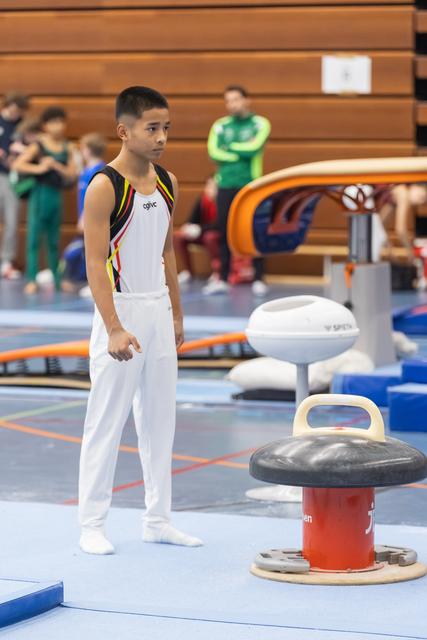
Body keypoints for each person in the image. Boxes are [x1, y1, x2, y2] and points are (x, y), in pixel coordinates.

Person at [78, 86, 202, 555]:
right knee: (106, 421)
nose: (162, 137)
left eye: (166, 127)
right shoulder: (105, 186)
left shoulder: (168, 181)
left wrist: (177, 312)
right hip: (121, 310)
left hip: (157, 310)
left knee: (159, 421)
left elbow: (168, 252)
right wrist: (112, 325)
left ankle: (159, 519)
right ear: (124, 131)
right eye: (152, 128)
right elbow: (95, 264)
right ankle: (91, 523)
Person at [203, 85, 271, 296]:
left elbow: (254, 148)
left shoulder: (260, 123)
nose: (232, 104)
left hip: (251, 185)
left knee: (254, 230)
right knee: (225, 231)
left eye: (236, 99)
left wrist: (229, 148)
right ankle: (222, 278)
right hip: (225, 185)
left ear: (246, 100)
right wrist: (238, 150)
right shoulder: (220, 126)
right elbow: (213, 152)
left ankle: (259, 278)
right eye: (228, 101)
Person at [13, 106, 77, 294]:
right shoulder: (38, 145)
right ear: (46, 125)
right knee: (33, 238)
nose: (58, 126)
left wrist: (56, 166)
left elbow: (72, 174)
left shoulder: (68, 147)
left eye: (61, 122)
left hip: (55, 196)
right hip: (39, 195)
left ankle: (57, 280)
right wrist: (39, 169)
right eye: (54, 122)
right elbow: (18, 164)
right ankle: (31, 279)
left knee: (54, 240)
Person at [61, 132, 107, 295]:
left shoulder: (100, 170)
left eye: (82, 148)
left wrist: (84, 218)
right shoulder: (85, 171)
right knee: (81, 251)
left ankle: (96, 285)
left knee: (96, 252)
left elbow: (96, 198)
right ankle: (84, 281)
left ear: (87, 150)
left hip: (94, 220)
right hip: (86, 220)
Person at [0, 92, 30, 279]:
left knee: (12, 221)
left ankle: (6, 261)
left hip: (12, 178)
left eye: (19, 111)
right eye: (13, 109)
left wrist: (18, 153)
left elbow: (32, 146)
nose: (15, 114)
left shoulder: (23, 124)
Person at [174, 176, 220, 284]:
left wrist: (201, 229)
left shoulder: (222, 202)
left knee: (210, 237)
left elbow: (220, 224)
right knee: (177, 237)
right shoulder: (202, 200)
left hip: (217, 237)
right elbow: (192, 218)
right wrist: (188, 227)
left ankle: (218, 273)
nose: (210, 189)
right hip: (202, 235)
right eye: (209, 186)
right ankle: (188, 272)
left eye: (214, 186)